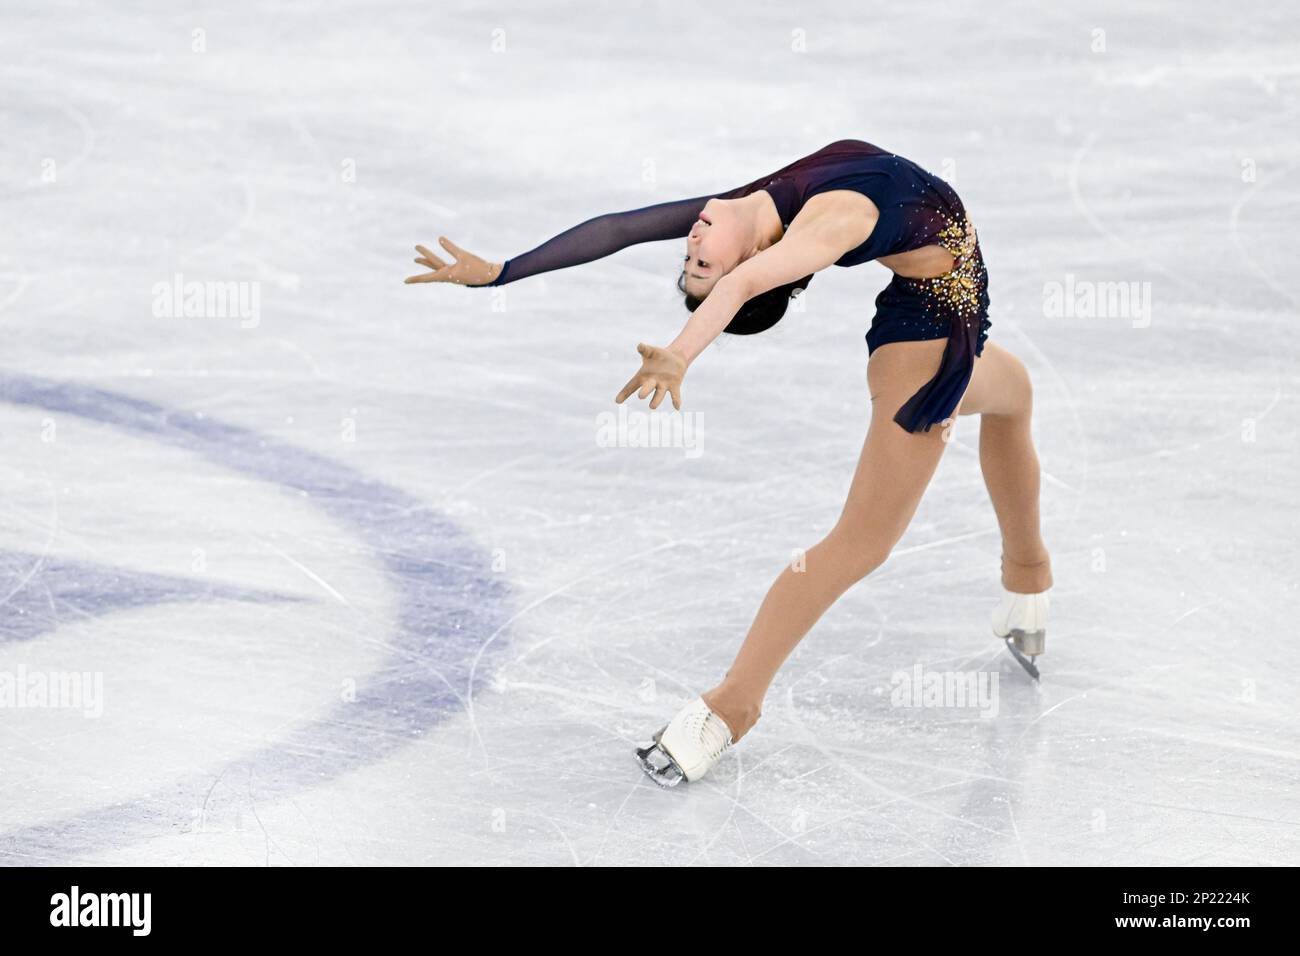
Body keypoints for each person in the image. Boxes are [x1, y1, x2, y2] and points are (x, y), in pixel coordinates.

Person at [405, 139, 1053, 787]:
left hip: (950, 316)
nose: (691, 247)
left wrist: (501, 272)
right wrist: (682, 353)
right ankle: (728, 709)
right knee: (859, 544)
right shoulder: (825, 227)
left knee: (1014, 394)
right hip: (925, 353)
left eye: (688, 261)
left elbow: (619, 228)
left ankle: (1028, 582)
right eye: (700, 266)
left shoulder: (758, 201)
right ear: (753, 256)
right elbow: (740, 284)